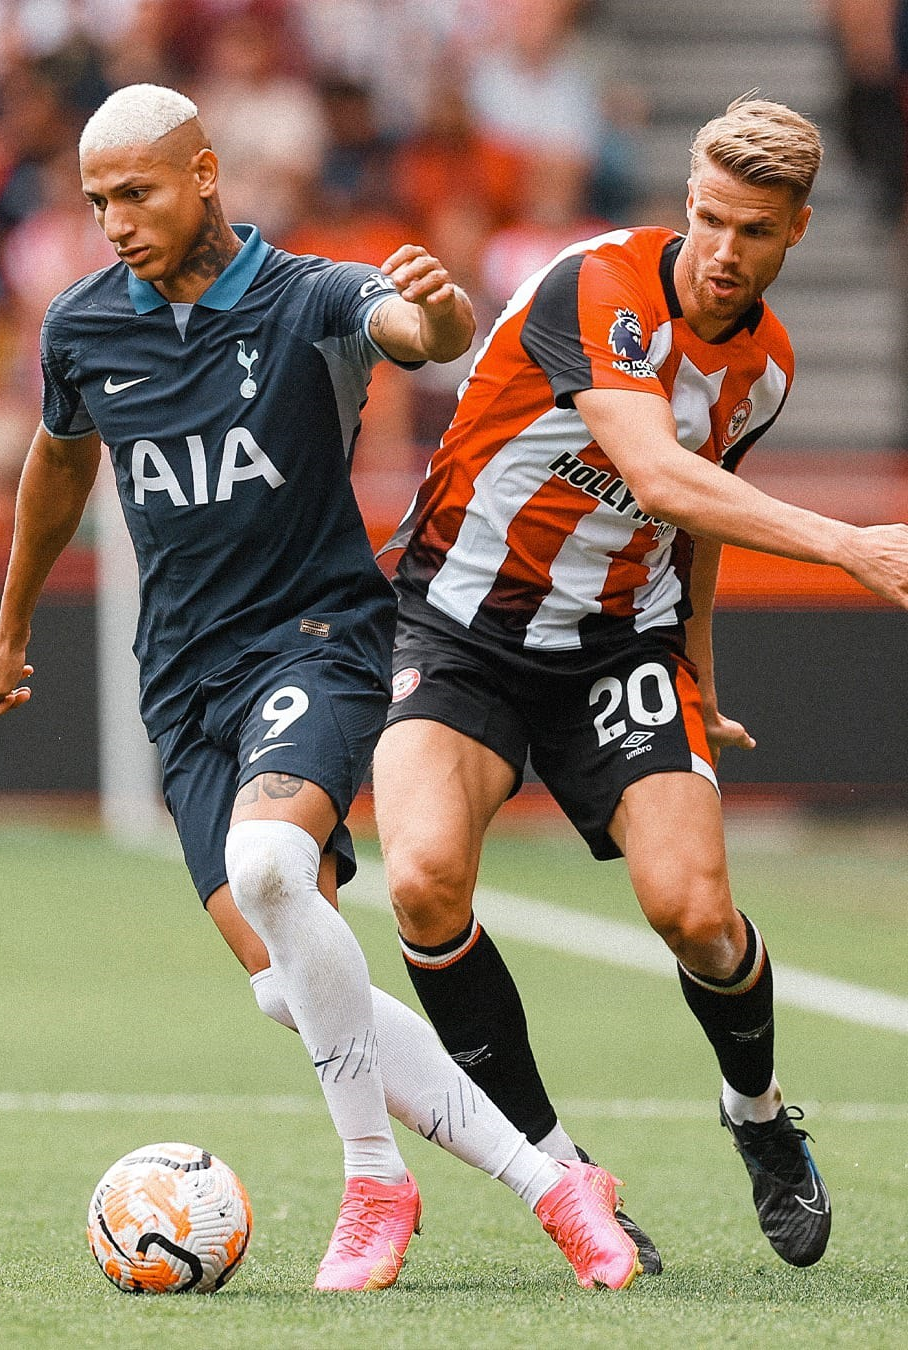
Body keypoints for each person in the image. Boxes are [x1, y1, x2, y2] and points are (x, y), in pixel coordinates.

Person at [0, 83, 647, 1293]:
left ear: (206, 173)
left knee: (274, 870)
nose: (116, 220)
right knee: (292, 986)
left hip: (317, 640)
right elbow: (57, 467)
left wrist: (438, 316)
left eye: (139, 192)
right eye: (97, 201)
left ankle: (375, 1179)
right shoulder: (82, 330)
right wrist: (10, 629)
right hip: (180, 687)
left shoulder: (308, 294)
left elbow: (409, 333)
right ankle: (555, 1182)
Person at [373, 93, 908, 1272]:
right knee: (419, 883)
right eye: (710, 220)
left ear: (797, 233)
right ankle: (566, 1181)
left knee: (698, 917)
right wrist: (853, 544)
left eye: (754, 232)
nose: (724, 253)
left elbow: (695, 521)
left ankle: (760, 1118)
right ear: (685, 205)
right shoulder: (597, 286)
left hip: (619, 646)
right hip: (460, 625)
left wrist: (699, 670)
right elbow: (660, 475)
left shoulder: (764, 370)